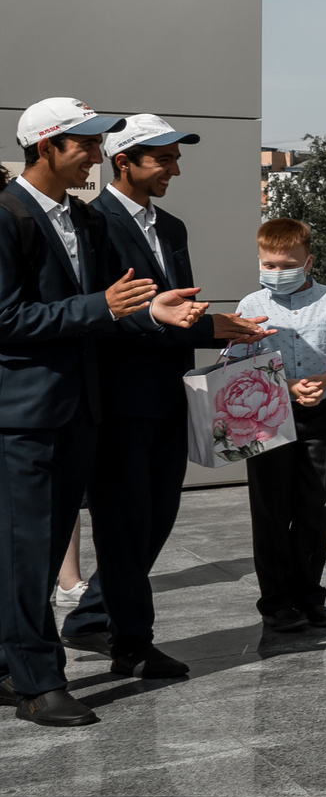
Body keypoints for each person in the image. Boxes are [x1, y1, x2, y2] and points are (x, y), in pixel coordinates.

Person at [0, 99, 205, 726]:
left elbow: (107, 307)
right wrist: (106, 309)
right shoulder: (8, 216)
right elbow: (7, 319)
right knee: (28, 551)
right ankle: (36, 681)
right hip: (27, 415)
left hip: (82, 409)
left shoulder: (81, 220)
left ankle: (26, 660)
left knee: (41, 546)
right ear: (45, 148)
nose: (95, 154)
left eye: (97, 142)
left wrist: (153, 312)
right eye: (84, 144)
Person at [69, 114, 267, 674]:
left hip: (167, 396)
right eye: (164, 159)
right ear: (123, 161)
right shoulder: (92, 224)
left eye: (177, 158)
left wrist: (218, 326)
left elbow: (177, 308)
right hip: (118, 401)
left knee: (155, 517)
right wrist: (211, 329)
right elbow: (108, 315)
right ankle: (130, 644)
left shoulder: (172, 227)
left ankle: (90, 619)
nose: (174, 169)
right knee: (125, 521)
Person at [235, 218, 326, 634]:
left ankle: (310, 595)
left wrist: (324, 381)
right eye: (269, 264)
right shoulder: (250, 306)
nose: (277, 271)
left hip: (322, 413)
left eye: (287, 263)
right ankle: (276, 602)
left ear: (308, 261)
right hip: (266, 417)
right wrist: (287, 386)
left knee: (314, 506)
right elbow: (238, 365)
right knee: (271, 510)